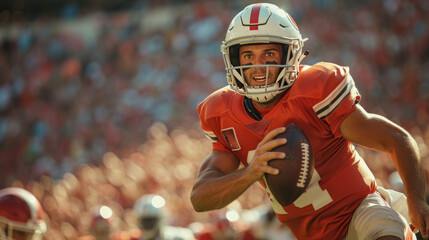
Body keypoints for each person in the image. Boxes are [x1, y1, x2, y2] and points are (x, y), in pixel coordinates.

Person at [190, 3, 429, 240]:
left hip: (360, 210)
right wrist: (251, 173)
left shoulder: (315, 91)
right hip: (307, 235)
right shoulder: (222, 114)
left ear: (290, 54)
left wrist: (416, 200)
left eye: (269, 54)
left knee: (383, 230)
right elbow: (200, 198)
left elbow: (396, 139)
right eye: (248, 55)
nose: (258, 65)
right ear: (233, 59)